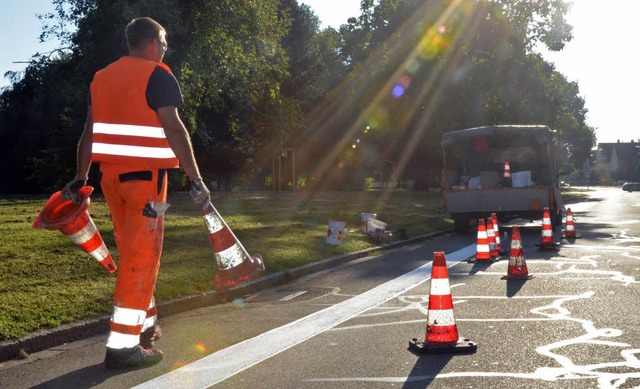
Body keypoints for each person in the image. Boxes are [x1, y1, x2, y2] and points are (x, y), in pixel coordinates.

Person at [62, 17, 211, 369]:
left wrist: (81, 178)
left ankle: (144, 325)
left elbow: (89, 132)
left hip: (111, 180)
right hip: (146, 183)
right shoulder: (157, 74)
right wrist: (196, 178)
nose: (165, 47)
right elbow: (174, 128)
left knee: (132, 253)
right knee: (142, 258)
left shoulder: (102, 78)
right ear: (149, 42)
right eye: (163, 41)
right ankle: (122, 347)